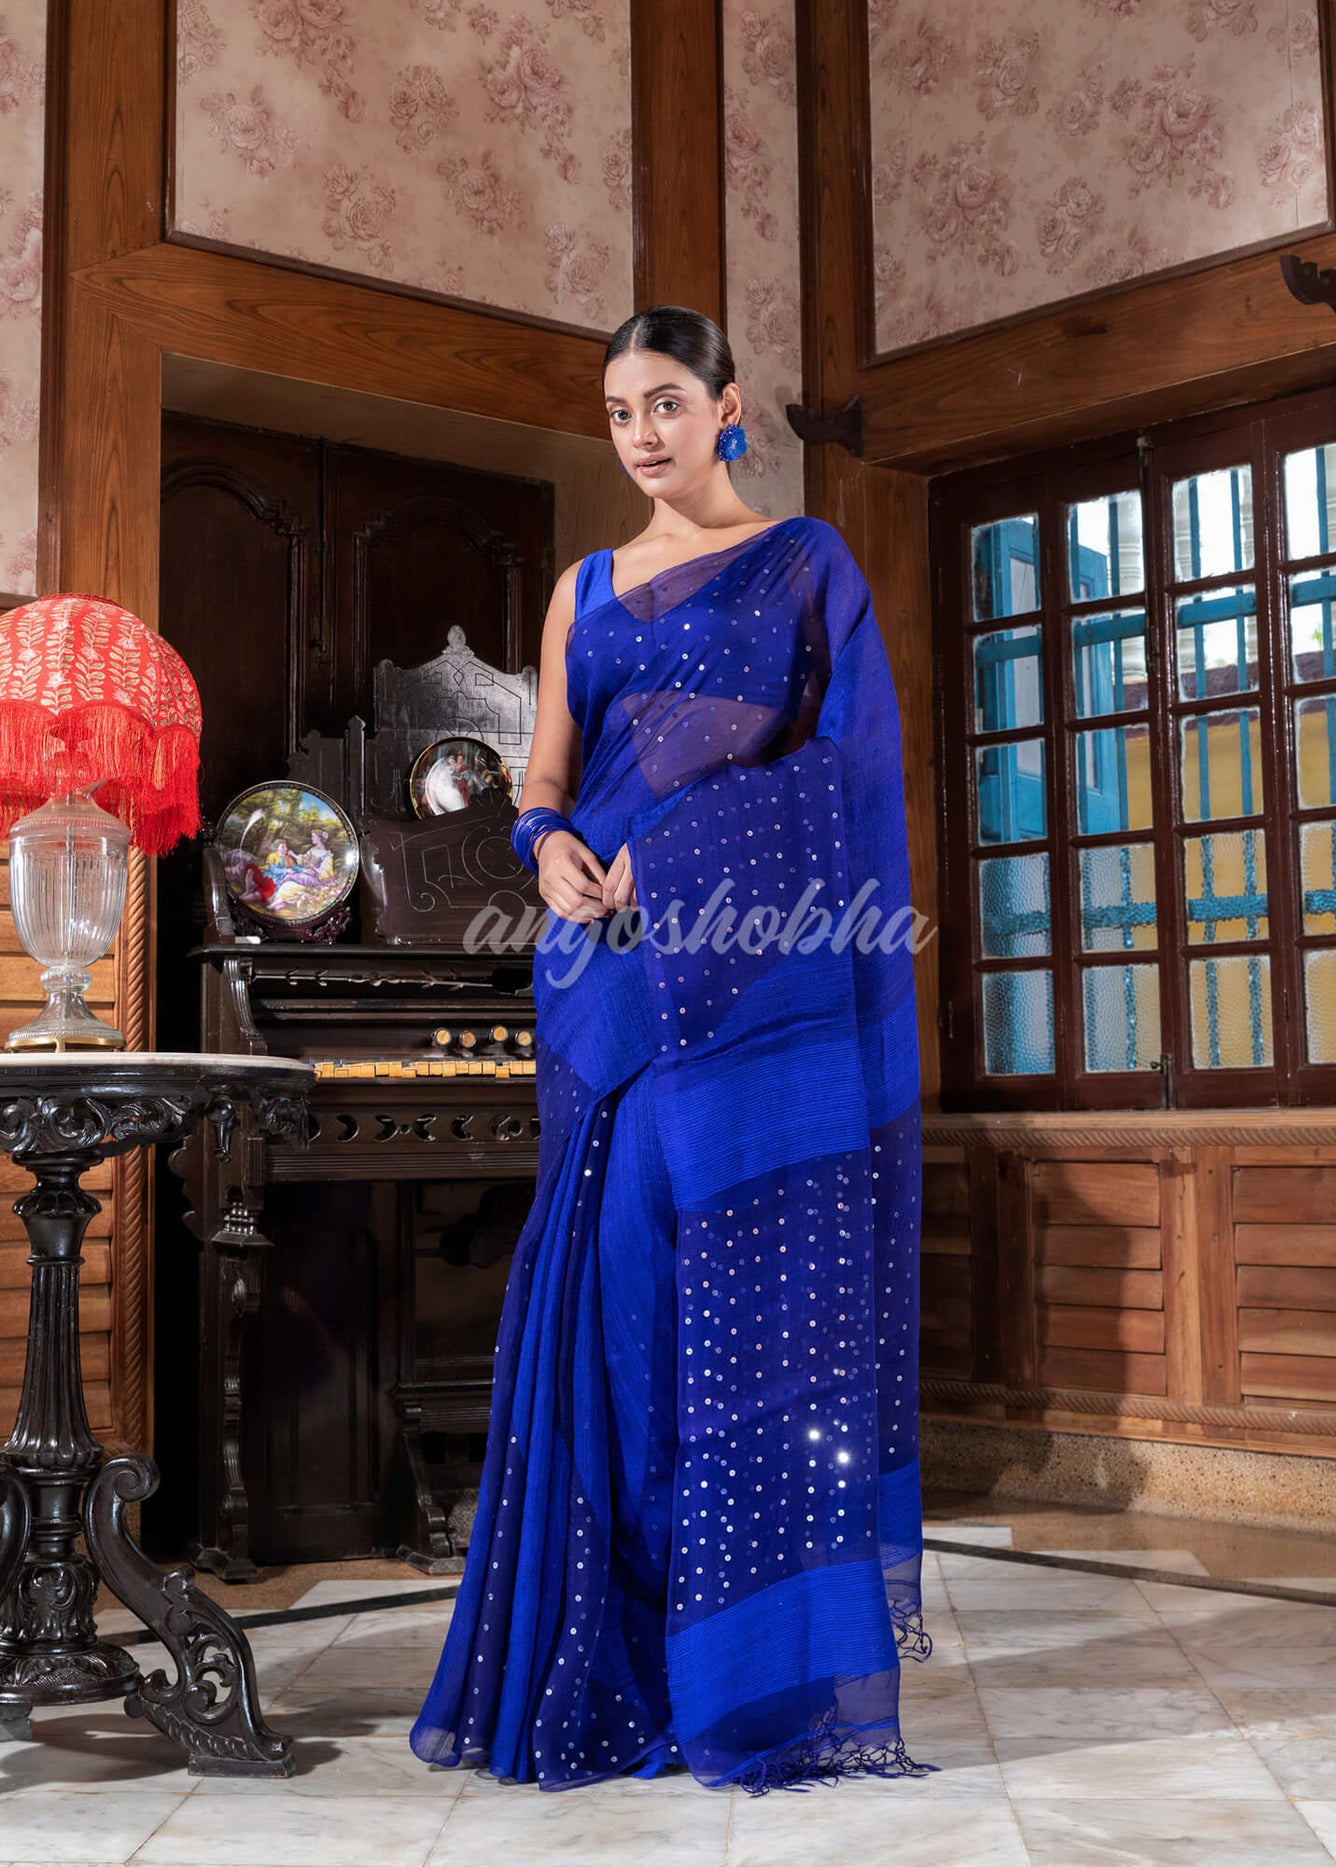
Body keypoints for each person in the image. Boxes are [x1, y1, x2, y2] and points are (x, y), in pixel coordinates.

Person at [409, 305, 931, 1794]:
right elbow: (547, 777)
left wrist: (693, 842)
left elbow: (852, 766)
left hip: (752, 977)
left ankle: (746, 1674)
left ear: (726, 407)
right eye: (619, 411)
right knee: (623, 1297)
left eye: (665, 403)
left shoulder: (805, 562)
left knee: (755, 1310)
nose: (640, 433)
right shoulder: (585, 587)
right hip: (609, 975)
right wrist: (545, 846)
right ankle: (619, 1659)